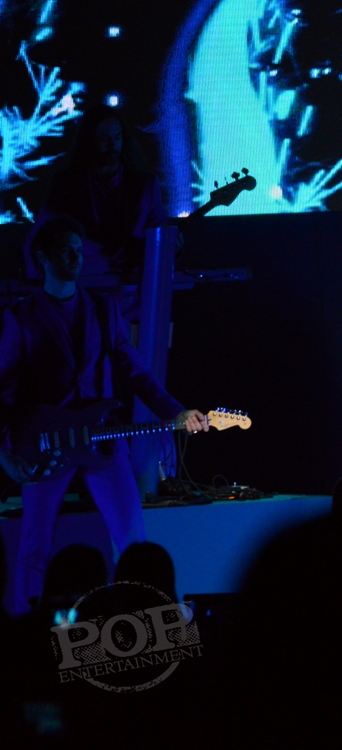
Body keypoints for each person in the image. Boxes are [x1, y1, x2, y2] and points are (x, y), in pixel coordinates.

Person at [0, 216, 206, 614]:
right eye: (66, 251)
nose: (76, 258)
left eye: (79, 251)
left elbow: (135, 371)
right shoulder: (21, 317)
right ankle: (28, 631)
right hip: (46, 444)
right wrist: (5, 452)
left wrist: (177, 412)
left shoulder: (102, 308)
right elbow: (2, 388)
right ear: (43, 258)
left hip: (102, 438)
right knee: (34, 547)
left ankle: (149, 623)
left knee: (133, 541)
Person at [23, 105, 170, 279]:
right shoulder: (66, 185)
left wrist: (171, 246)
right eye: (103, 139)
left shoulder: (145, 186)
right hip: (82, 285)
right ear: (89, 140)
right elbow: (37, 239)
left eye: (117, 137)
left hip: (131, 286)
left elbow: (160, 238)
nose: (112, 145)